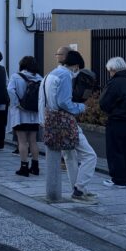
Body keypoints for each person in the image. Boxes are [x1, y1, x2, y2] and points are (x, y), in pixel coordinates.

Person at [40, 50, 98, 202]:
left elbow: (43, 99)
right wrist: (82, 107)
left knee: (70, 155)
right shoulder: (65, 75)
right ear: (76, 66)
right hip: (65, 120)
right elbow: (64, 102)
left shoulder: (51, 74)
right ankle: (79, 190)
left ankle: (79, 188)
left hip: (51, 118)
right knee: (90, 155)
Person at [99, 56, 126, 187]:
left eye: (109, 71)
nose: (110, 73)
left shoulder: (114, 83)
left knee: (115, 150)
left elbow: (104, 102)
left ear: (113, 69)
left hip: (117, 120)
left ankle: (118, 179)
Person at [8, 56, 42, 176]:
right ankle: (35, 166)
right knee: (33, 141)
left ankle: (24, 167)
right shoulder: (39, 78)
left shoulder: (16, 76)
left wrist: (17, 103)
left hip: (20, 114)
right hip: (34, 114)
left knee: (22, 141)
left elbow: (10, 90)